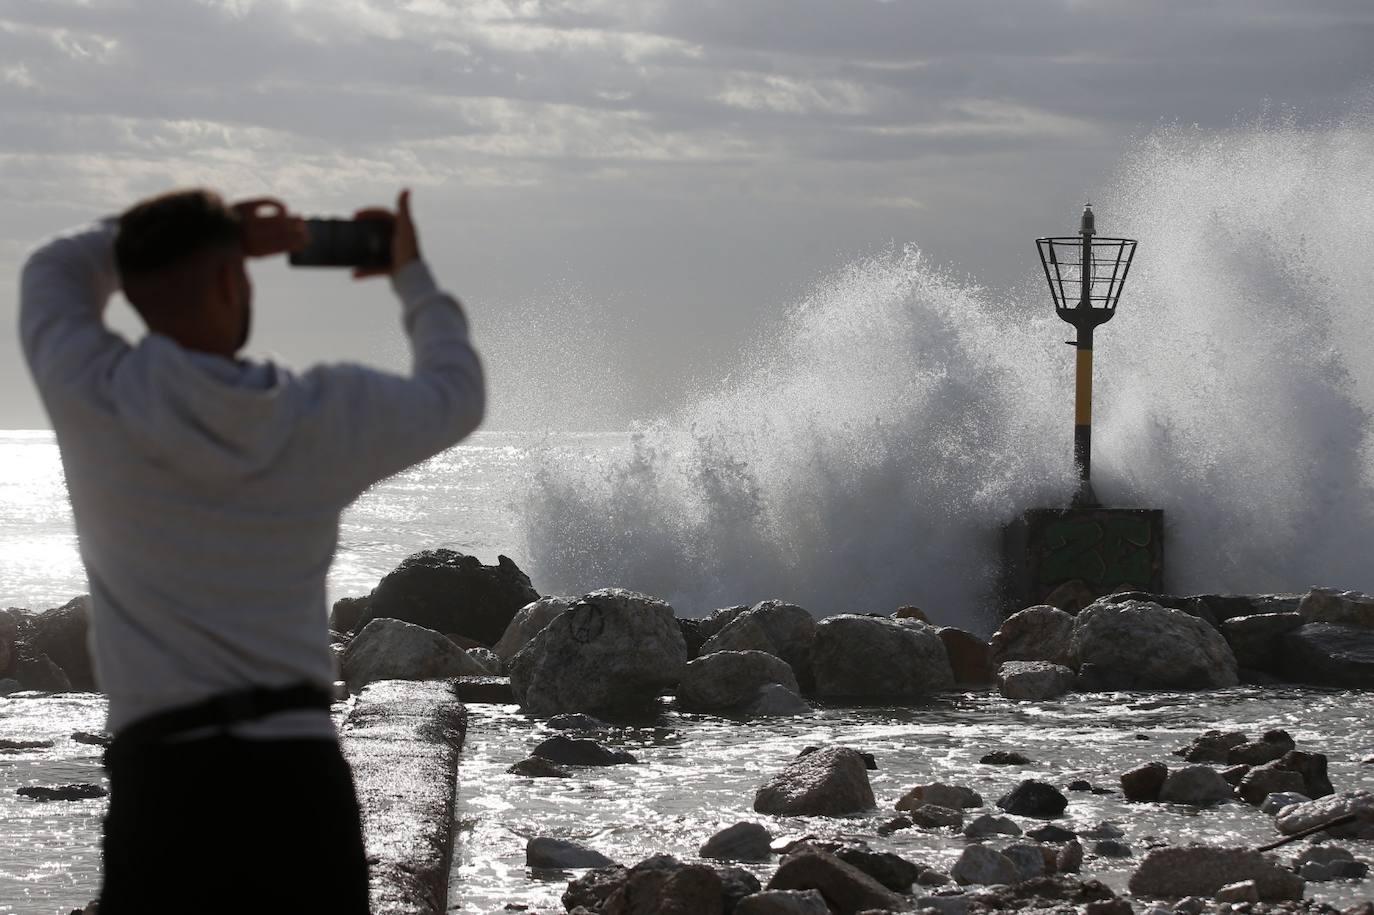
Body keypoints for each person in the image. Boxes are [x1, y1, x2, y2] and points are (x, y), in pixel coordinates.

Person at [18, 188, 485, 914]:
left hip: (164, 780)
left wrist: (217, 232)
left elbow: (53, 268)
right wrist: (409, 273)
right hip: (295, 782)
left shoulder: (97, 395)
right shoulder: (313, 412)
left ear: (139, 290)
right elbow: (456, 392)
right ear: (234, 280)